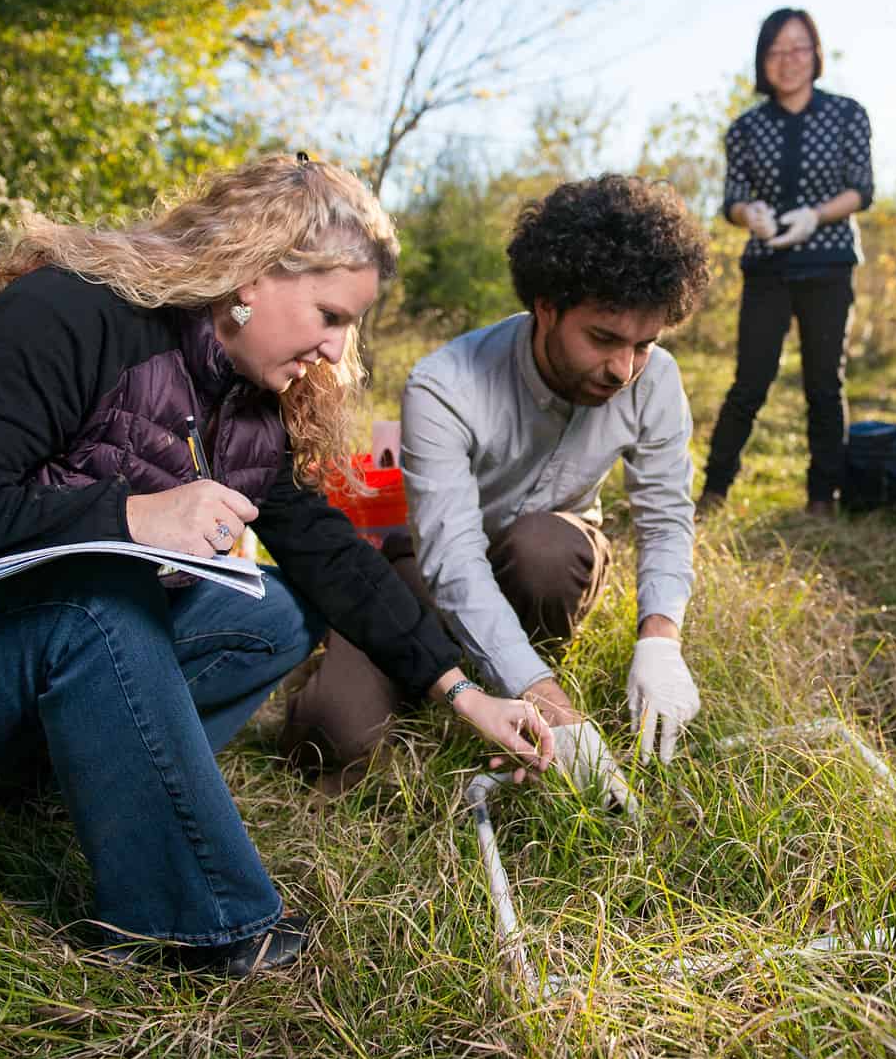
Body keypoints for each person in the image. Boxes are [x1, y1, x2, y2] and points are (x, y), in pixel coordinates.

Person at [0, 154, 551, 977]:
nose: (335, 349)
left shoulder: (252, 403)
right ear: (252, 271)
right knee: (95, 604)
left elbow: (329, 555)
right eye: (329, 314)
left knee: (275, 610)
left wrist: (460, 692)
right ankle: (199, 926)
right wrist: (129, 515)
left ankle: (55, 785)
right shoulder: (70, 315)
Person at [278, 175, 711, 809]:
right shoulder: (444, 385)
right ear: (546, 308)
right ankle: (422, 669)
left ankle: (510, 659)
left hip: (543, 556)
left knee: (545, 550)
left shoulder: (656, 381)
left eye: (644, 344)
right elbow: (450, 558)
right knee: (333, 734)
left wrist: (660, 640)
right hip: (426, 565)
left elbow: (666, 516)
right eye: (603, 339)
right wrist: (550, 702)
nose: (624, 370)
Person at [698, 7, 874, 517]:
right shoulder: (746, 128)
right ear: (763, 60)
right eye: (776, 51)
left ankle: (823, 496)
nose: (788, 60)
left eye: (798, 48)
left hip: (829, 264)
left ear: (815, 54)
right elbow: (731, 198)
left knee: (824, 383)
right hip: (767, 269)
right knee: (749, 382)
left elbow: (862, 189)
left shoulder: (847, 114)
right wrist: (747, 212)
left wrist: (815, 217)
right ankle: (714, 491)